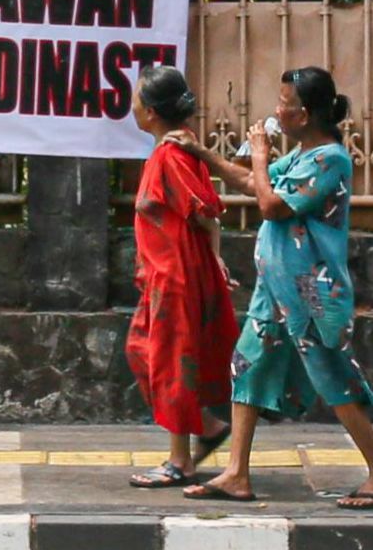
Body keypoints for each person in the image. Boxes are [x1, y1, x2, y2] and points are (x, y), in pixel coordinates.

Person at [165, 65, 373, 508]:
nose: (278, 110)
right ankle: (236, 474)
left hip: (311, 295)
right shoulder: (298, 156)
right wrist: (201, 151)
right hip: (277, 294)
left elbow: (271, 205)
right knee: (248, 367)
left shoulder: (329, 159)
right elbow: (246, 181)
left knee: (336, 380)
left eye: (286, 105)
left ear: (308, 114)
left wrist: (260, 157)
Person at [126, 66, 239, 488]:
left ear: (152, 111)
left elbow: (205, 211)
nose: (132, 105)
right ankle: (206, 426)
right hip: (162, 275)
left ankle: (180, 460)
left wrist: (214, 258)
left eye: (137, 98)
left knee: (172, 361)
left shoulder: (171, 157)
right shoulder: (170, 154)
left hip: (173, 275)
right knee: (143, 350)